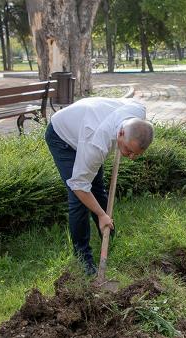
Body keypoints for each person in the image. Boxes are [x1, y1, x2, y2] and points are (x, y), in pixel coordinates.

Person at [45, 97, 154, 275]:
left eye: (136, 153)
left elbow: (136, 104)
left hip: (86, 121)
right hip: (62, 137)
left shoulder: (138, 112)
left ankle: (107, 233)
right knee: (79, 200)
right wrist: (101, 214)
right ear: (120, 134)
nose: (131, 157)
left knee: (96, 187)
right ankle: (83, 259)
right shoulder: (96, 145)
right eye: (128, 150)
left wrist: (102, 215)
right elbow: (79, 185)